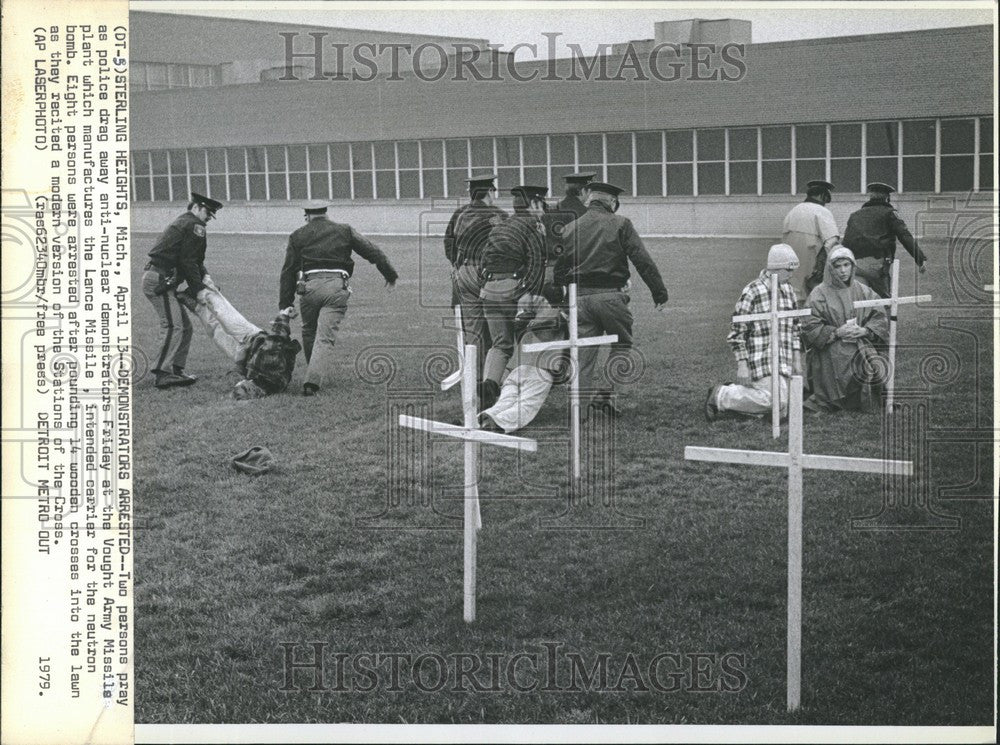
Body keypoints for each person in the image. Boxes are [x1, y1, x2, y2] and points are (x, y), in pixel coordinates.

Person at [553, 181, 669, 413]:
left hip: (580, 299)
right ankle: (606, 393)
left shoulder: (571, 228)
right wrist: (658, 291)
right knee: (622, 343)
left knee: (584, 353)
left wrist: (562, 300)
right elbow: (642, 260)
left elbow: (559, 269)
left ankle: (581, 408)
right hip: (610, 297)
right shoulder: (621, 224)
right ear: (612, 203)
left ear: (590, 201)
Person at [278, 201, 398, 395]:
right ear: (326, 214)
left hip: (309, 286)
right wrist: (390, 275)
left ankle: (312, 372)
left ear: (307, 216)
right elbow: (373, 252)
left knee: (309, 330)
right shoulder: (345, 230)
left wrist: (285, 304)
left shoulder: (297, 235)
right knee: (325, 337)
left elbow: (288, 270)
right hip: (336, 286)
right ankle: (312, 381)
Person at [705, 244, 803, 421]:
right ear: (774, 268)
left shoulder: (789, 291)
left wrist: (796, 359)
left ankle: (743, 402)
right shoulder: (752, 291)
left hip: (784, 361)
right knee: (776, 402)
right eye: (788, 270)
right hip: (761, 360)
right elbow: (737, 333)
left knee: (782, 410)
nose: (791, 274)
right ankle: (721, 395)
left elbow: (795, 327)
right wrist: (743, 365)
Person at [142, 192, 223, 389]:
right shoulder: (194, 226)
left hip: (161, 278)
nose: (208, 218)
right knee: (173, 326)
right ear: (196, 207)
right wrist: (199, 289)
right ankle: (163, 373)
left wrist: (204, 280)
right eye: (207, 212)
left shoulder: (185, 223)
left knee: (185, 327)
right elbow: (189, 261)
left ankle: (176, 370)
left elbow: (193, 260)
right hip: (160, 280)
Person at [479, 185, 548, 409]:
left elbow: (484, 261)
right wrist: (531, 294)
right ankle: (515, 393)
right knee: (531, 338)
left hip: (489, 289)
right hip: (515, 290)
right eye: (541, 205)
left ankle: (488, 386)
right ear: (534, 204)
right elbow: (536, 264)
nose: (544, 210)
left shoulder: (500, 227)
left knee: (499, 344)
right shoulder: (533, 227)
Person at [800, 246, 889, 413]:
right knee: (840, 360)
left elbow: (879, 316)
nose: (842, 271)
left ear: (853, 266)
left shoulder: (862, 290)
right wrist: (835, 332)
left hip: (859, 342)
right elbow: (809, 325)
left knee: (866, 364)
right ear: (830, 268)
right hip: (830, 346)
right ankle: (837, 399)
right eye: (837, 266)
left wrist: (865, 331)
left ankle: (859, 399)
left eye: (846, 265)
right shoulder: (819, 293)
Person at [443, 174, 508, 381]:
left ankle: (473, 378)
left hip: (464, 271)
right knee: (499, 330)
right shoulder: (499, 215)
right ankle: (494, 378)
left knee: (473, 331)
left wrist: (458, 264)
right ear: (489, 192)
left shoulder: (460, 214)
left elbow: (449, 244)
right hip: (489, 274)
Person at [480, 290, 567, 433]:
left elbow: (526, 311)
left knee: (504, 401)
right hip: (541, 370)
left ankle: (480, 418)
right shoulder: (558, 317)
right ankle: (496, 423)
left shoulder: (527, 320)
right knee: (525, 407)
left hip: (516, 369)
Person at [842, 182, 927, 298]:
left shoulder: (855, 215)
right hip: (877, 264)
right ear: (887, 197)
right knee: (883, 302)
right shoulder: (889, 213)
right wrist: (920, 258)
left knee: (859, 301)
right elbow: (904, 235)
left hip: (854, 265)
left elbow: (846, 241)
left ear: (870, 196)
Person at [782, 180, 840, 300]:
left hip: (790, 260)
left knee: (793, 291)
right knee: (815, 294)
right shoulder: (822, 211)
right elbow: (831, 241)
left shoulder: (793, 211)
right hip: (812, 260)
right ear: (822, 196)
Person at [231, 309, 302, 400]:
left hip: (253, 345)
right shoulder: (267, 368)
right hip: (253, 337)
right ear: (250, 389)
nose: (238, 383)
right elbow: (277, 337)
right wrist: (284, 315)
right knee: (219, 309)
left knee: (216, 327)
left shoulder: (271, 387)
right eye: (241, 386)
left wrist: (239, 365)